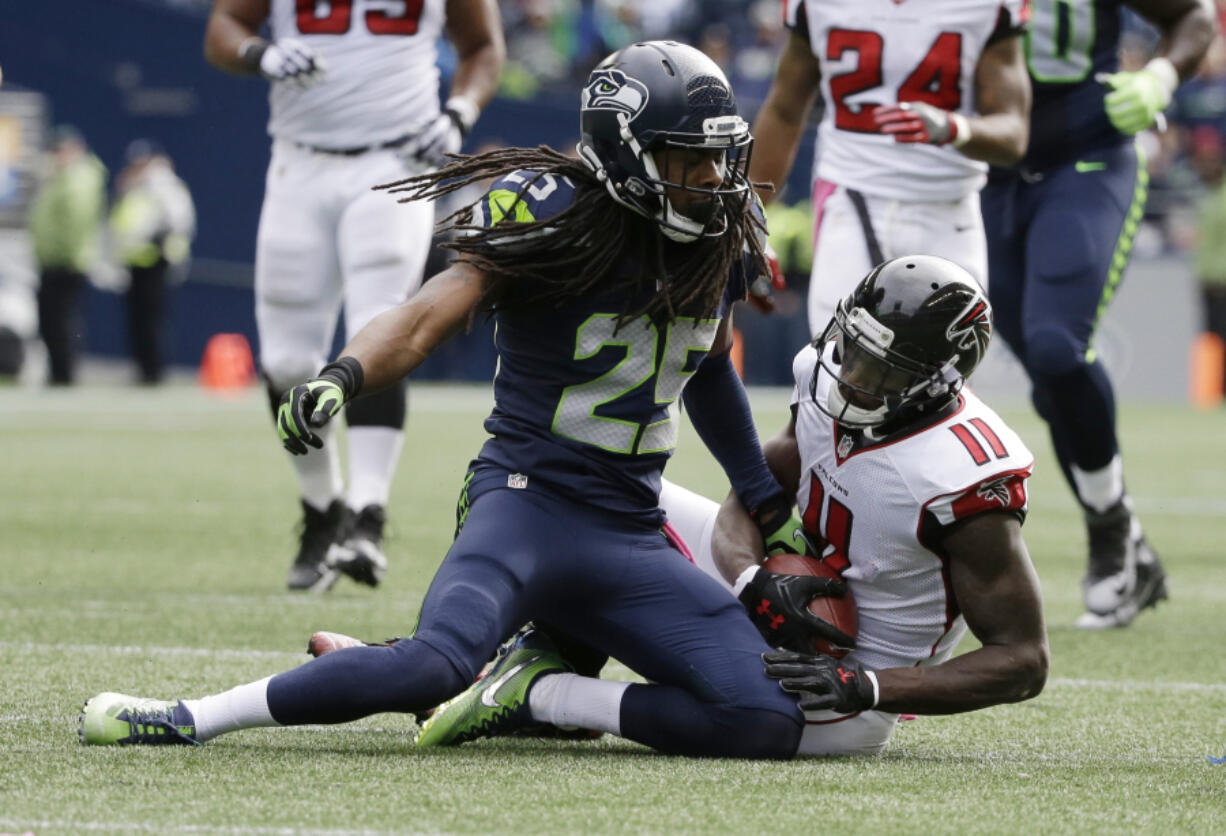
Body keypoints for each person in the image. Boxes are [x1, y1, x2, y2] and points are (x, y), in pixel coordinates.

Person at [80, 42, 825, 759]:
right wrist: (342, 373)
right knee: (429, 666)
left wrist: (762, 495)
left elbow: (704, 366)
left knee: (763, 716)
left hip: (630, 526)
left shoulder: (716, 227)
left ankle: (537, 688)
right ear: (623, 152)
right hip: (527, 503)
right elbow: (427, 313)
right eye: (684, 157)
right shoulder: (551, 211)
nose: (710, 177)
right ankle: (186, 718)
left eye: (718, 155)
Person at [410, 256, 1049, 757]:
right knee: (587, 492)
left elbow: (1022, 660)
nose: (851, 377)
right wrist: (752, 577)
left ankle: (540, 694)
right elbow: (757, 490)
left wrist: (866, 686)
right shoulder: (823, 378)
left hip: (853, 670)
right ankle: (451, 656)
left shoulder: (965, 474)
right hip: (790, 588)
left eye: (881, 373)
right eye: (851, 349)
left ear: (938, 380)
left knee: (759, 728)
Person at [203, 0, 505, 591]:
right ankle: (322, 509)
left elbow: (484, 48)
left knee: (376, 328)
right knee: (286, 361)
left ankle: (369, 515)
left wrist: (459, 112)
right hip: (299, 159)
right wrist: (259, 53)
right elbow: (223, 28)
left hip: (396, 161)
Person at [980, 0, 1216, 630]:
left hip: (1084, 157)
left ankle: (1110, 528)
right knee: (1048, 375)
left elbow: (1194, 17)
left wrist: (1158, 78)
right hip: (984, 172)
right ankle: (1126, 538)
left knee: (1057, 347)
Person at [749, 0, 1032, 334]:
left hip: (948, 206)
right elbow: (785, 110)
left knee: (942, 372)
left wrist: (953, 128)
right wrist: (746, 225)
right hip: (851, 197)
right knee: (833, 364)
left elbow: (1014, 132)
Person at [110, 140, 196, 385]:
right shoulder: (134, 188)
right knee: (137, 320)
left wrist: (160, 241)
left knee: (151, 320)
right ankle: (143, 368)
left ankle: (154, 370)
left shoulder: (164, 186)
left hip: (155, 261)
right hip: (135, 261)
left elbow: (178, 221)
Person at [27, 125, 107, 385]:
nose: (56, 156)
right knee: (50, 319)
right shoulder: (62, 177)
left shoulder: (79, 178)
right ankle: (58, 371)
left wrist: (65, 252)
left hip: (67, 261)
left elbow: (75, 221)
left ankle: (65, 373)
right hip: (53, 259)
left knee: (60, 320)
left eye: (60, 150)